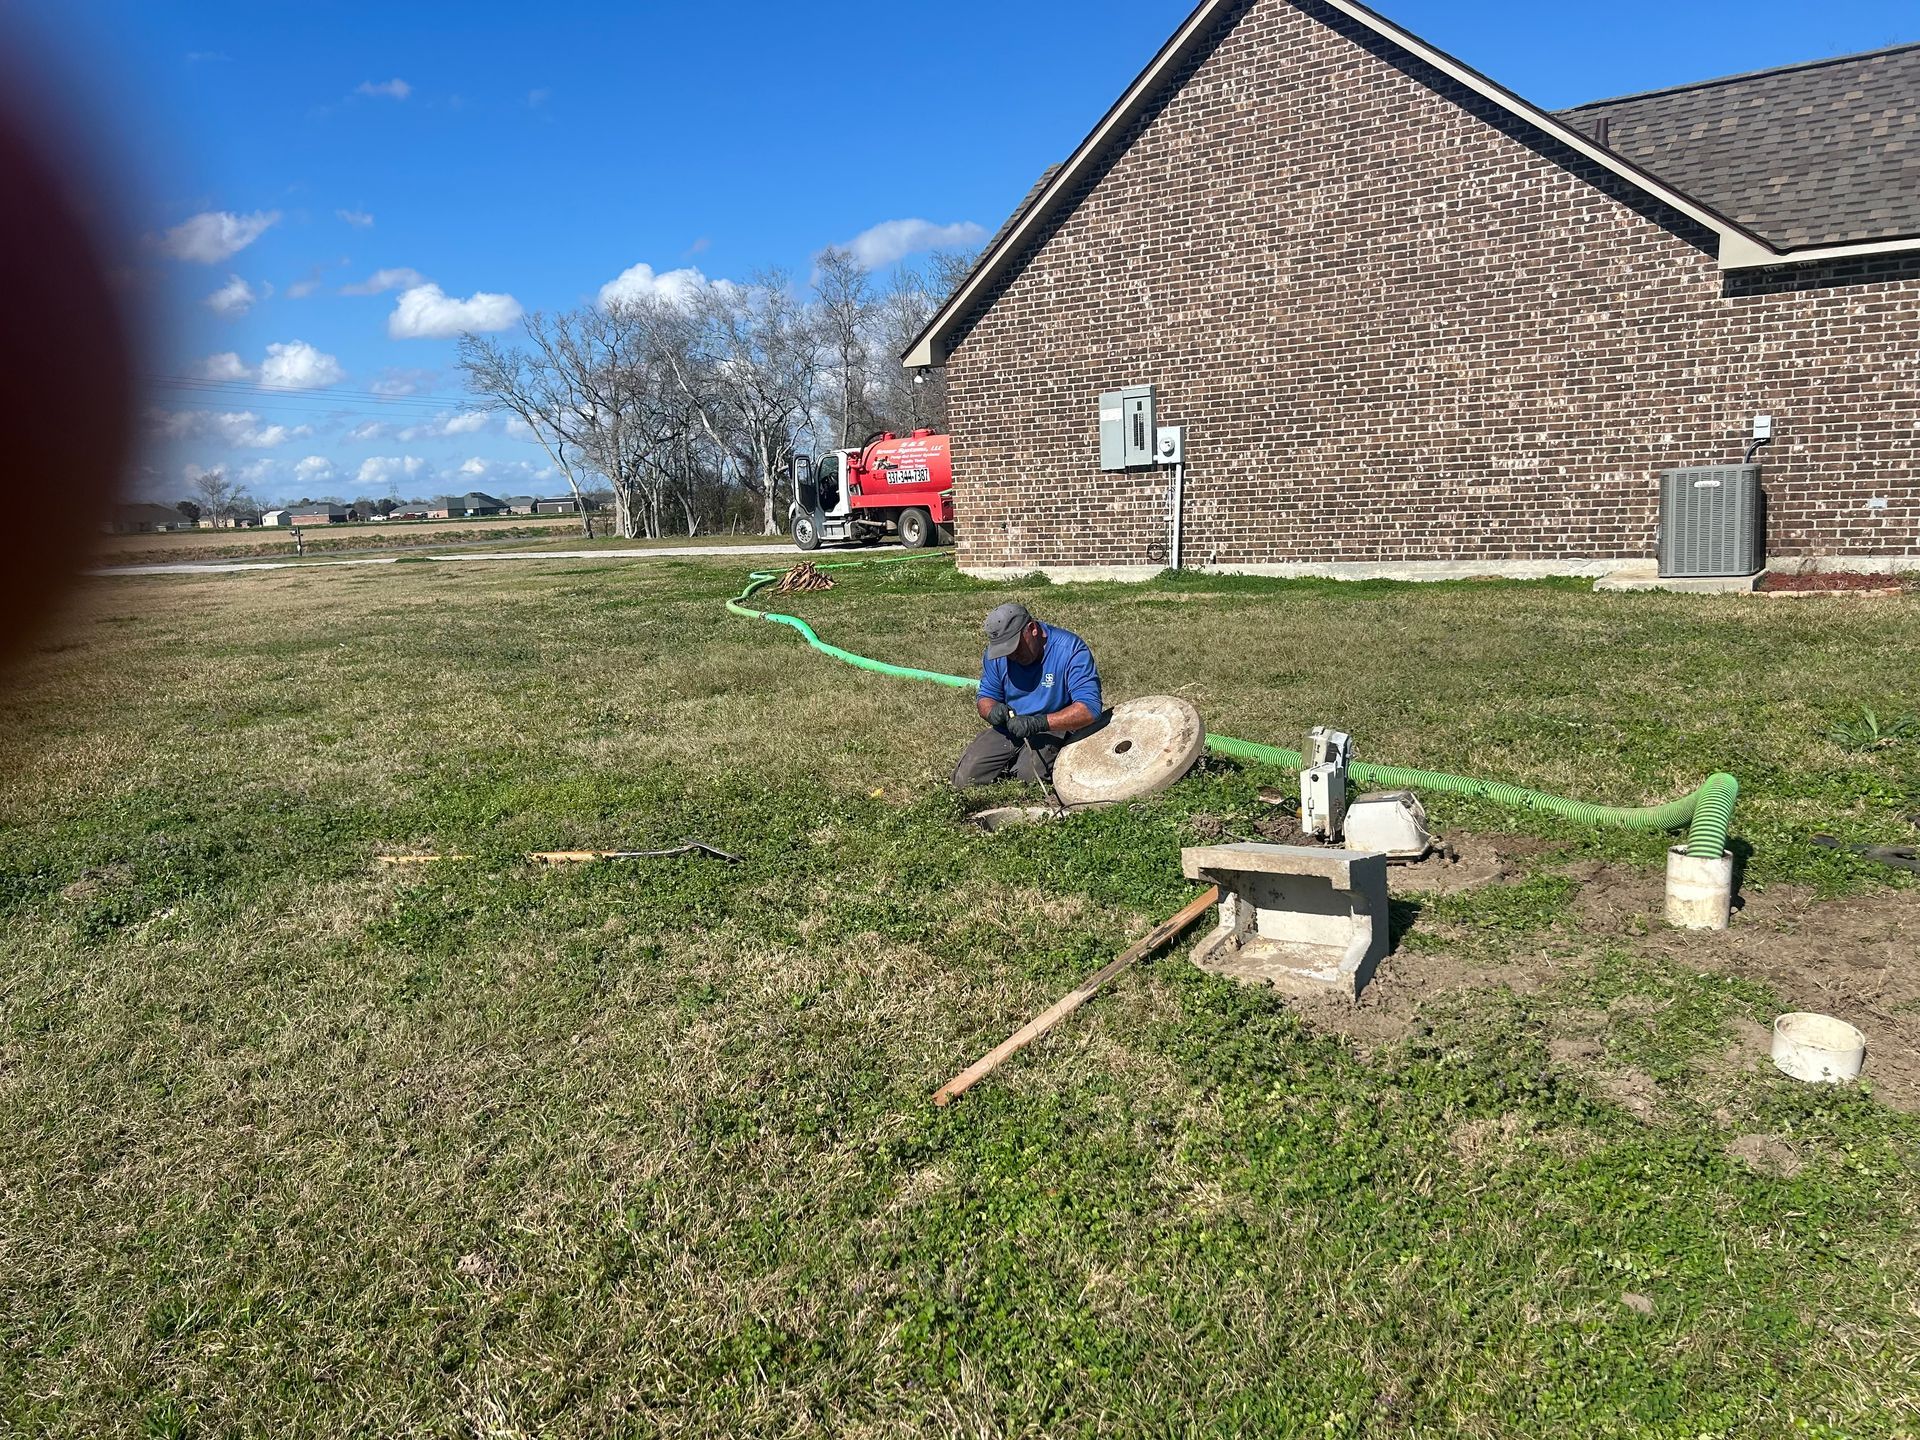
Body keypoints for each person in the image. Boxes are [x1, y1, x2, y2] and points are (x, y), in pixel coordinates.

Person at [953, 602, 1104, 790]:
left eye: (1015, 648)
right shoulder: (998, 656)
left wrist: (1038, 723)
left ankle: (1021, 765)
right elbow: (985, 698)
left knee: (1029, 778)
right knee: (965, 779)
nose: (1012, 656)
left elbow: (1089, 709)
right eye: (1005, 651)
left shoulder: (1070, 649)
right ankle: (1011, 761)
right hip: (1012, 727)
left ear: (1032, 629)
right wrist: (992, 711)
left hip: (1053, 726)